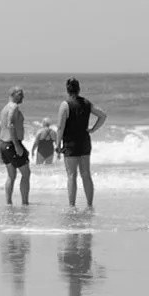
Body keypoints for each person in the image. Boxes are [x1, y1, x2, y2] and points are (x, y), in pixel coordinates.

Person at [57, 79, 105, 209]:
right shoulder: (86, 103)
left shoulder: (65, 105)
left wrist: (57, 144)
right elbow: (102, 115)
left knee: (72, 175)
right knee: (86, 174)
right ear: (79, 89)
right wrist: (93, 129)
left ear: (67, 90)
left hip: (70, 143)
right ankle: (89, 205)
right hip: (84, 142)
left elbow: (60, 127)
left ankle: (72, 206)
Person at [0, 87, 33, 205]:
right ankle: (25, 203)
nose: (23, 96)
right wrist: (17, 145)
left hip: (4, 144)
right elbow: (10, 125)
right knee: (26, 173)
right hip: (12, 144)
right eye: (20, 94)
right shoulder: (14, 107)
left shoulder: (4, 108)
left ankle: (8, 203)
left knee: (11, 175)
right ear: (12, 94)